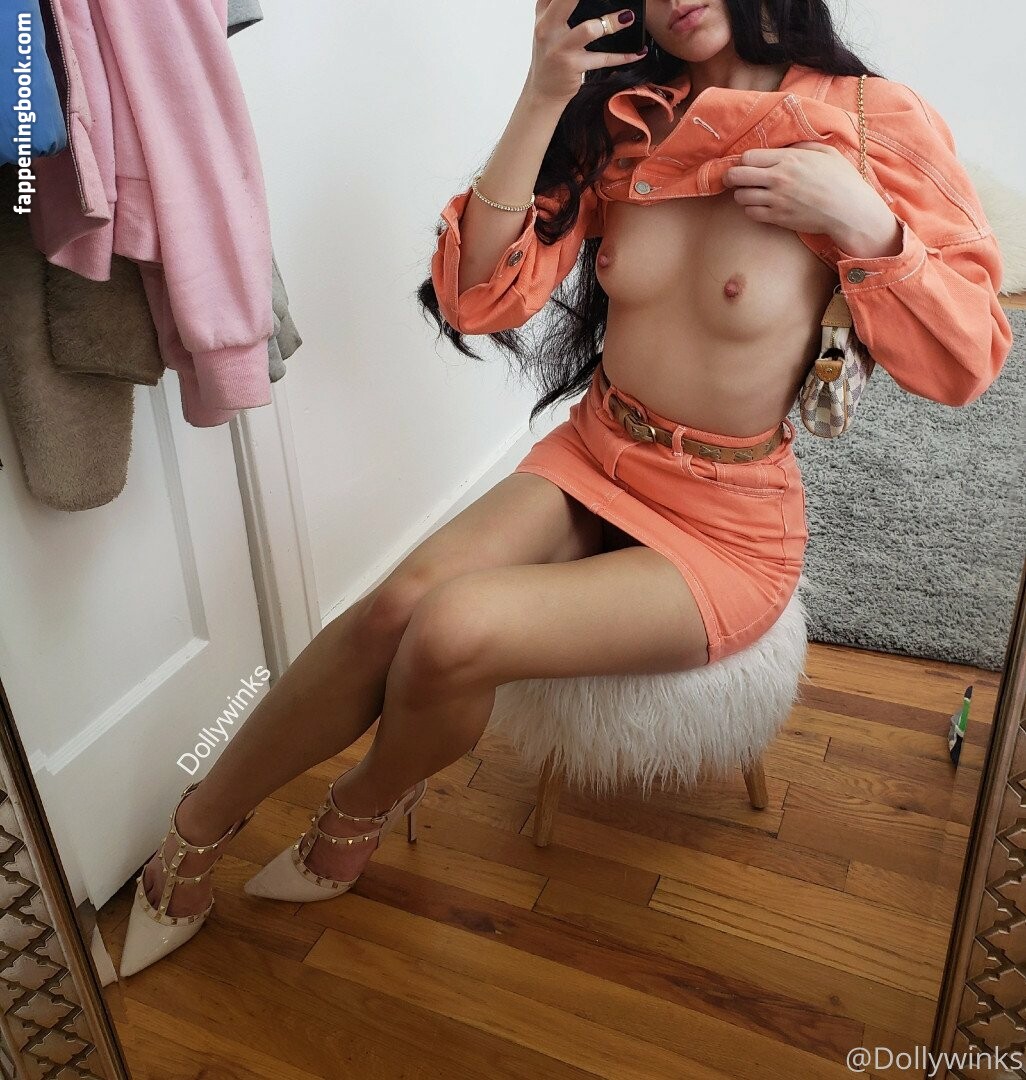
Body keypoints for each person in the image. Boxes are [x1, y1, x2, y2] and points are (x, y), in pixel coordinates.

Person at [120, 0, 1011, 977]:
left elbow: (968, 357)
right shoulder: (627, 116)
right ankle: (193, 832)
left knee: (451, 631)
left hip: (726, 522)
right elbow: (474, 295)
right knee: (395, 608)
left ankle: (362, 803)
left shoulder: (871, 120)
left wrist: (865, 221)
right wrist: (543, 95)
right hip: (598, 451)